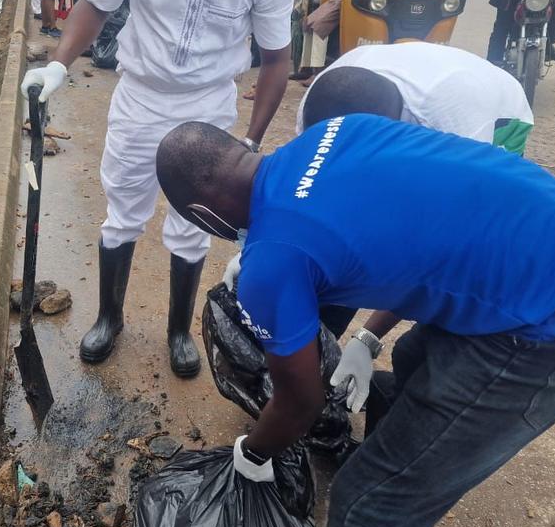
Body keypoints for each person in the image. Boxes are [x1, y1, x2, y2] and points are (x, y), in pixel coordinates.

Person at [155, 117, 555, 527]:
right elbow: (422, 242)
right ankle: (405, 448)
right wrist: (369, 338)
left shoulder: (275, 260)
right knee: (414, 360)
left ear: (204, 214)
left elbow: (301, 402)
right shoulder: (338, 131)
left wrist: (253, 454)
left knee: (371, 503)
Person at [19, 0, 294, 377]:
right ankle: (110, 317)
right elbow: (96, 5)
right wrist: (58, 64)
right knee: (122, 213)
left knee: (193, 224)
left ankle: (177, 331)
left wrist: (252, 142)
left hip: (207, 108)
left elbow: (278, 60)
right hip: (141, 97)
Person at [226, 40, 534, 338]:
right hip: (423, 94)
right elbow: (308, 191)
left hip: (497, 114)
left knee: (454, 259)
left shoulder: (457, 130)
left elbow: (438, 251)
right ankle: (320, 336)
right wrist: (257, 250)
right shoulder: (324, 98)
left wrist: (369, 337)